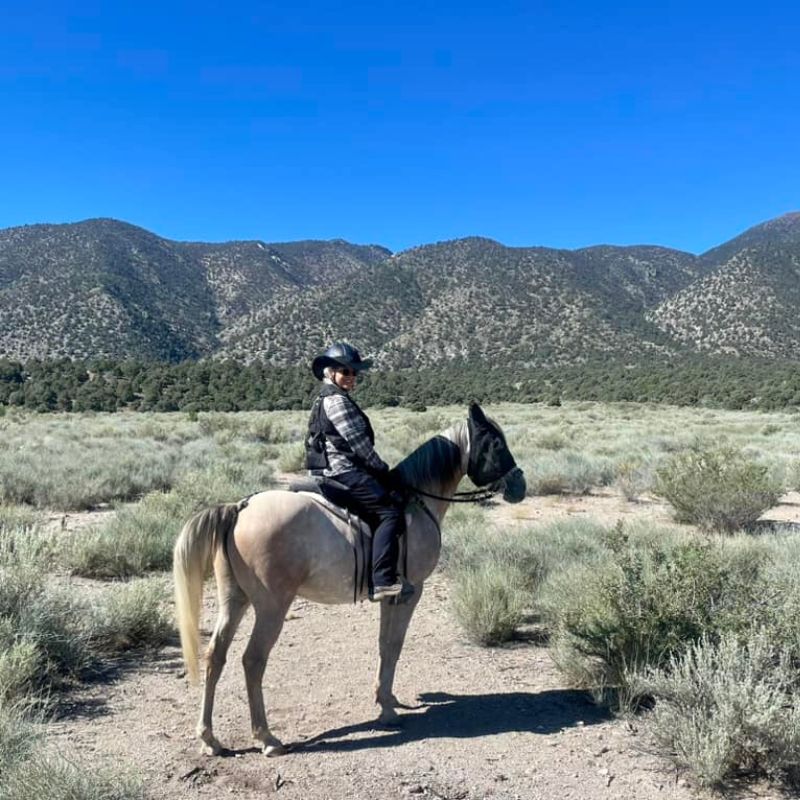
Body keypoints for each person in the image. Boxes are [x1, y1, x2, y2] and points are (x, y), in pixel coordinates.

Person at [306, 343, 406, 601]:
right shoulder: (337, 401)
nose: (351, 377)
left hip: (326, 471)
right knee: (390, 512)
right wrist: (383, 470)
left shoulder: (323, 398)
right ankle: (382, 580)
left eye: (354, 373)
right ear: (330, 373)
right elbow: (360, 446)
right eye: (345, 372)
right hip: (343, 471)